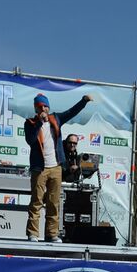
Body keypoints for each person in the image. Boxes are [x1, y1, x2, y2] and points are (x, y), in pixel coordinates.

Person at [24, 92, 92, 242]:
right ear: (36, 109)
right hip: (39, 168)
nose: (43, 109)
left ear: (49, 107)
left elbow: (71, 112)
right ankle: (33, 234)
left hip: (55, 168)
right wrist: (39, 123)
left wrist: (84, 101)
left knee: (53, 203)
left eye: (45, 106)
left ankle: (51, 234)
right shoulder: (30, 123)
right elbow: (30, 140)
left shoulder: (56, 119)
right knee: (36, 202)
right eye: (40, 107)